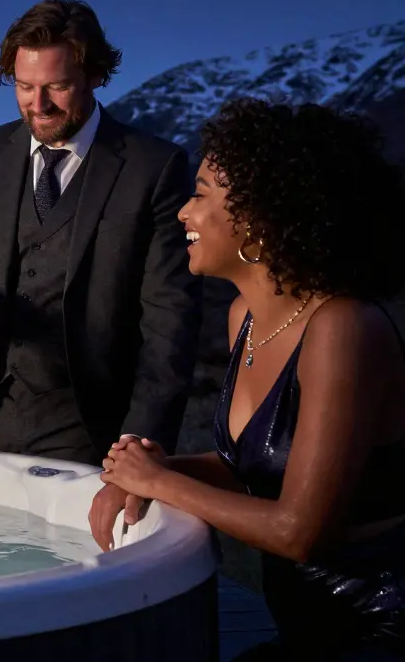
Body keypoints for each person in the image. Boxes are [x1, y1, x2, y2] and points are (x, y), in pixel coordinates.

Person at [95, 98, 405, 660]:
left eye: (202, 194)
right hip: (307, 626)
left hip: (376, 627)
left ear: (261, 218)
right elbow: (257, 469)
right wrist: (152, 469)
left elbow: (300, 530)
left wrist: (160, 483)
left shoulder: (344, 328)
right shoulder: (245, 317)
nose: (184, 214)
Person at [0, 0, 202, 467]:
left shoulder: (154, 167)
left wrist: (142, 443)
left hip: (85, 430)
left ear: (94, 76)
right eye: (24, 86)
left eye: (58, 86)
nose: (38, 104)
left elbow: (171, 319)